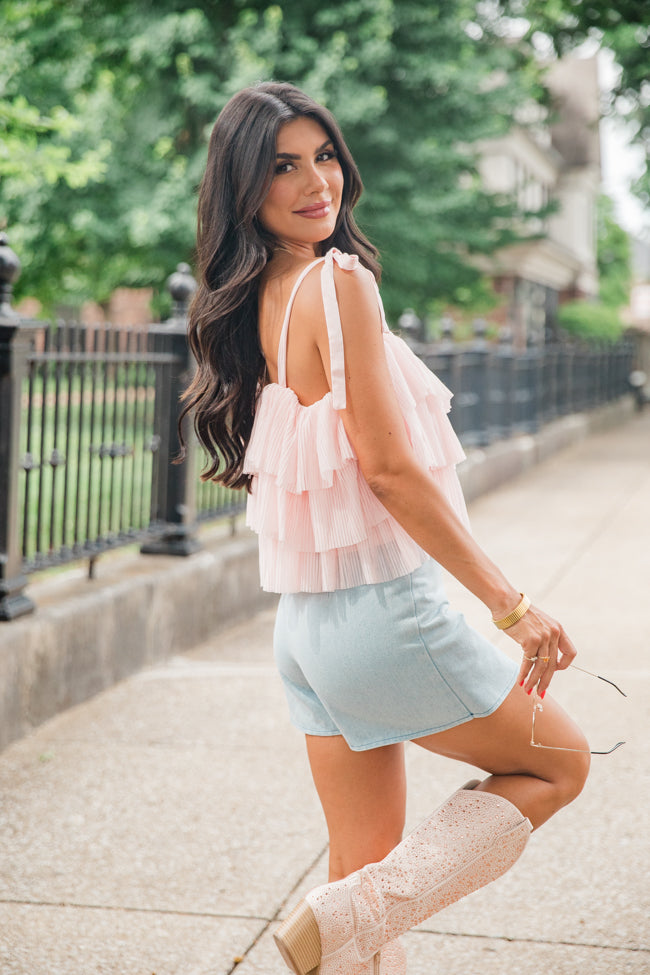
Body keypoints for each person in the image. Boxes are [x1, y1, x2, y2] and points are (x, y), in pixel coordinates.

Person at [180, 82, 590, 975]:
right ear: (243, 185)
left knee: (360, 881)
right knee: (560, 763)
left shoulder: (263, 292)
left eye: (323, 156)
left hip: (308, 632)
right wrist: (510, 604)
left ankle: (341, 925)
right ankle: (337, 919)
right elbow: (389, 466)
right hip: (386, 619)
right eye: (282, 166)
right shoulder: (339, 280)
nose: (314, 181)